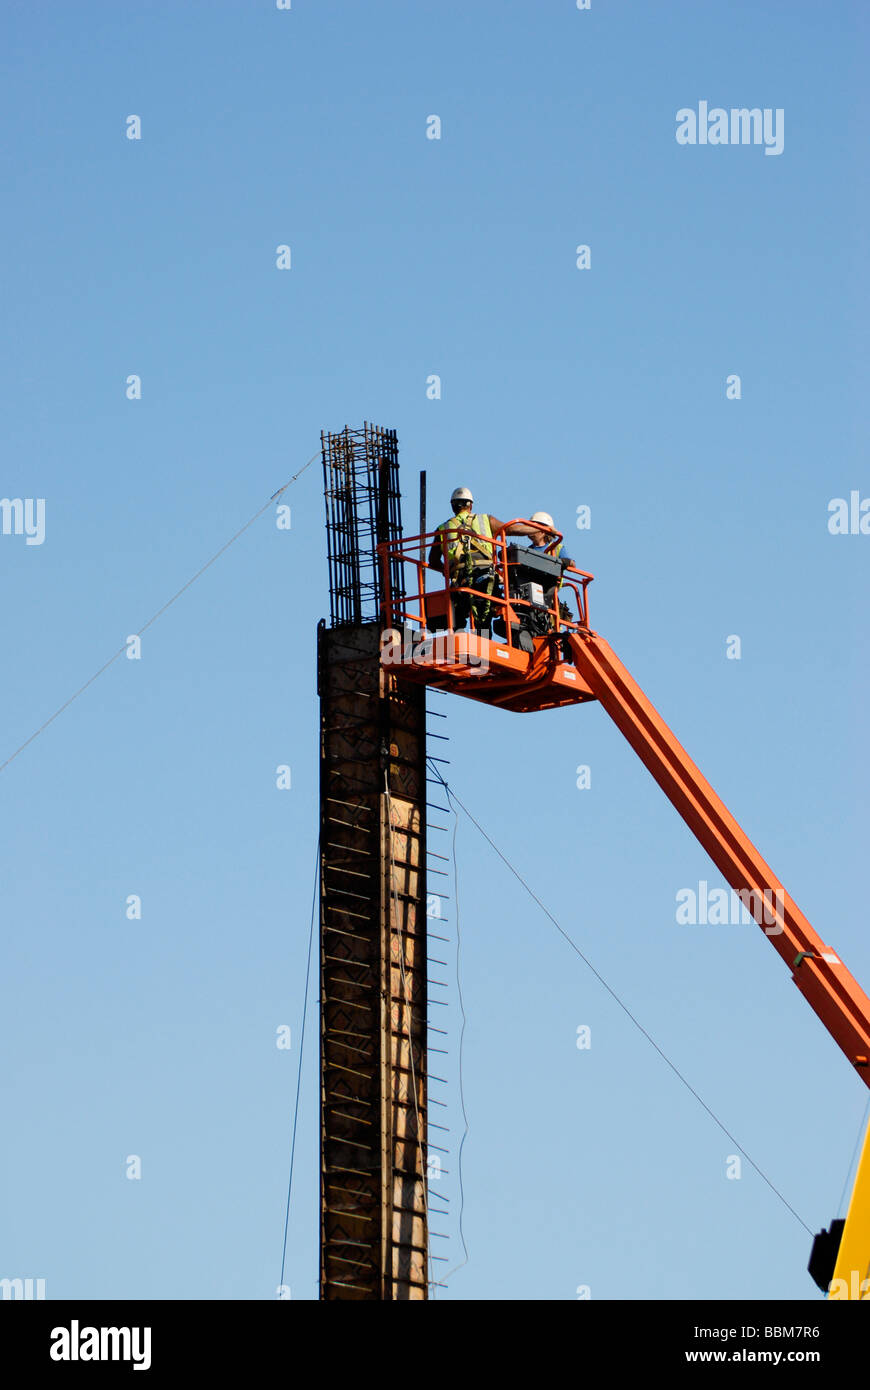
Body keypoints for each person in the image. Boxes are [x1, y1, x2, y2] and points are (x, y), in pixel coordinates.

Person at [428, 487, 539, 630]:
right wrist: (539, 529)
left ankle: (457, 640)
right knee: (484, 621)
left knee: (455, 619)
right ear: (471, 505)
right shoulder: (486, 520)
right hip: (485, 579)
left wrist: (447, 570)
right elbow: (512, 529)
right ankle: (482, 643)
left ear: (452, 506)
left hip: (460, 581)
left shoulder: (443, 528)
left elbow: (433, 560)